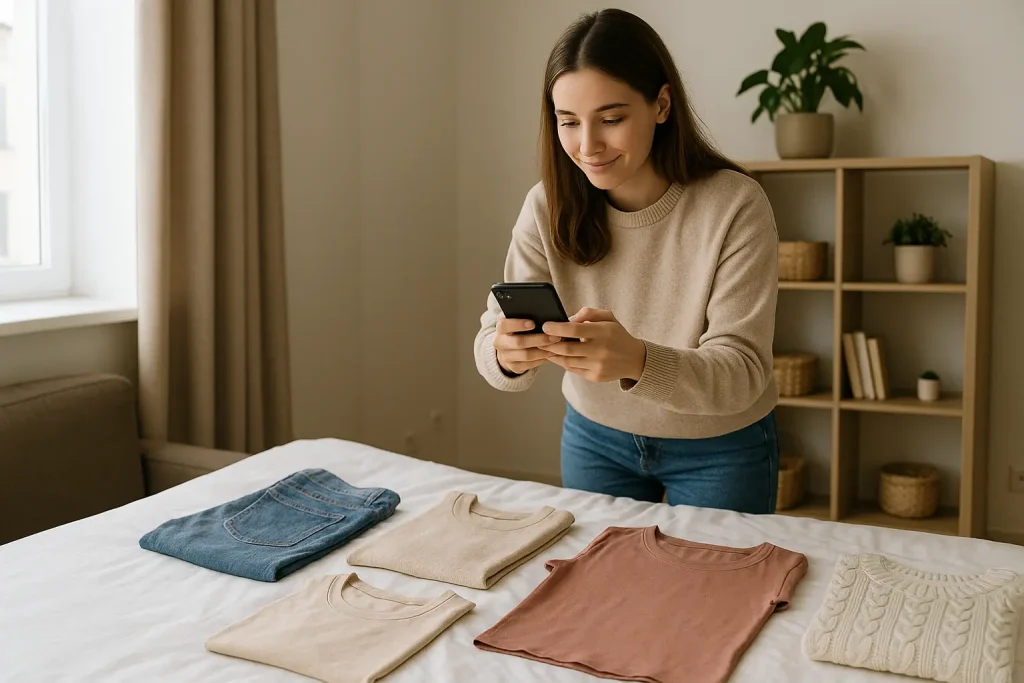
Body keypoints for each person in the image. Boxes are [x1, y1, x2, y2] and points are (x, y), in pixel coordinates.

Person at [473, 8, 781, 514]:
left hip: (720, 449)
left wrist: (638, 361)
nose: (587, 146)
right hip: (595, 438)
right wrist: (507, 354)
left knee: (716, 591)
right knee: (599, 586)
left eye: (611, 119)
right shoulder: (546, 205)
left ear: (662, 105)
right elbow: (492, 340)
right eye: (568, 122)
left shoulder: (735, 206)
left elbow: (744, 372)